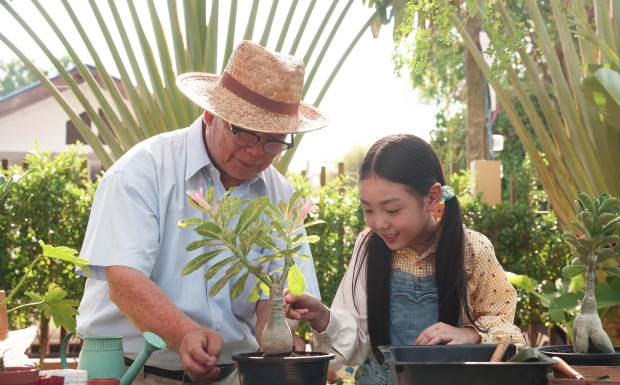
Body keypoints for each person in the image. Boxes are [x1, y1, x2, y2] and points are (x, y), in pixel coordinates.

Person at [76, 40, 327, 385]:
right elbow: (124, 281)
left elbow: (277, 293)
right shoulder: (143, 171)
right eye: (244, 133)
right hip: (132, 373)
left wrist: (276, 329)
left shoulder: (281, 196)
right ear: (210, 114)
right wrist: (184, 334)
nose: (256, 152)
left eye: (273, 141)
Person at [285, 134, 525, 385]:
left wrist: (471, 334)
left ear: (431, 198)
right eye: (368, 209)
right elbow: (355, 345)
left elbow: (506, 332)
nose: (379, 223)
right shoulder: (368, 247)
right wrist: (321, 317)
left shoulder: (472, 249)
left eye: (392, 210)